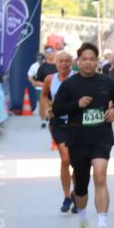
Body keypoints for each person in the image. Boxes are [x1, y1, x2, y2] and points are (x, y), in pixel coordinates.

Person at [51, 42, 114, 228]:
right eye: (84, 59)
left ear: (97, 61)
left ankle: (102, 225)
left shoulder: (106, 82)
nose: (88, 62)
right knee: (82, 184)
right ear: (78, 62)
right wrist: (77, 104)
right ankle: (83, 221)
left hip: (101, 137)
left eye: (92, 59)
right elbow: (57, 109)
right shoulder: (69, 84)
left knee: (100, 175)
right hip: (78, 139)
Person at [40, 51, 77, 213]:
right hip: (59, 123)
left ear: (72, 63)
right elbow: (43, 95)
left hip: (76, 123)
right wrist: (47, 108)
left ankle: (77, 194)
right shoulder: (50, 79)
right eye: (61, 61)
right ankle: (67, 196)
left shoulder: (78, 77)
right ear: (56, 63)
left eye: (67, 61)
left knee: (77, 161)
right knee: (66, 159)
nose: (64, 64)